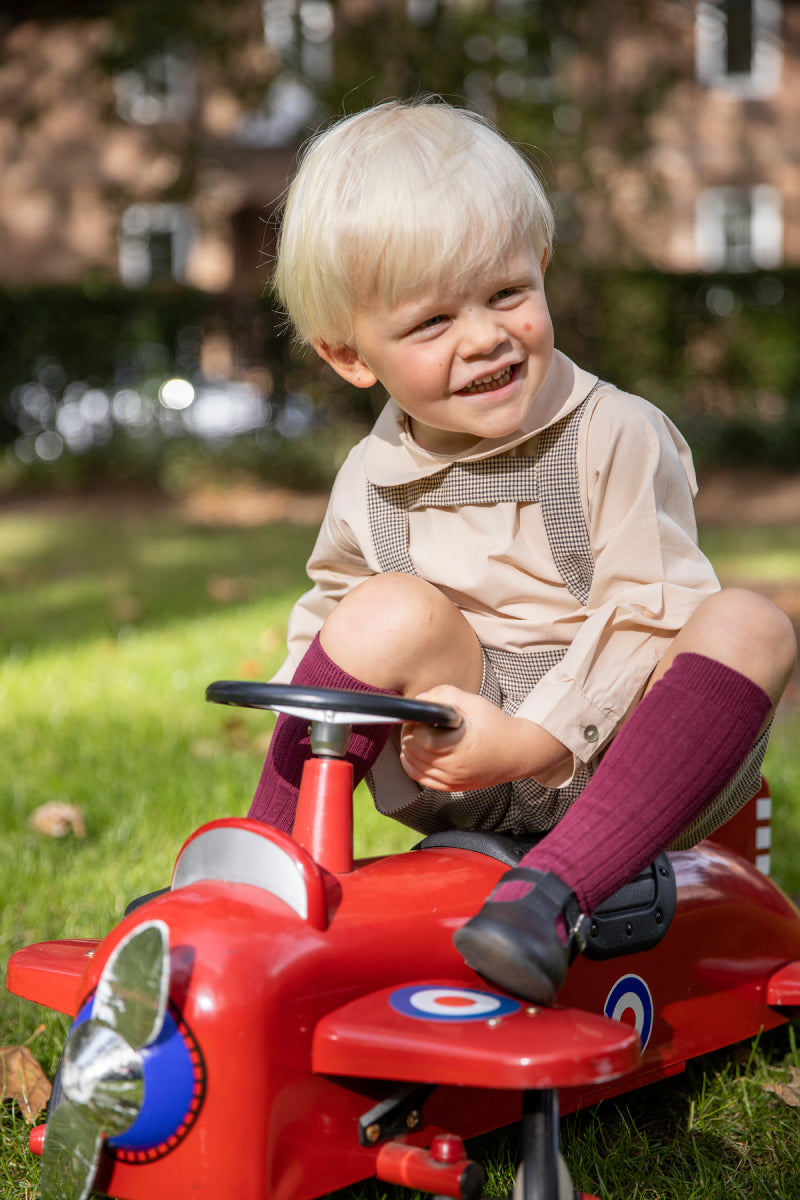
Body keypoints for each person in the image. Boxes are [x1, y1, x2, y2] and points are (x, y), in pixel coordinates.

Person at [249, 98, 797, 1006]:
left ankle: (552, 897)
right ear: (350, 354)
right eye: (431, 324)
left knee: (748, 621)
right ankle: (258, 880)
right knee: (380, 608)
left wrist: (538, 737)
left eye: (506, 293)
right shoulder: (370, 473)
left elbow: (643, 615)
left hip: (618, 754)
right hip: (454, 758)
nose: (484, 336)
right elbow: (334, 623)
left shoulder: (615, 434)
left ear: (541, 267)